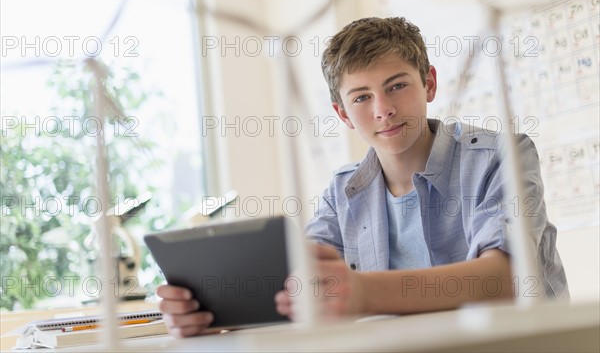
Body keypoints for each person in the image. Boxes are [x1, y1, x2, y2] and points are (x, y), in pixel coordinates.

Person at [157, 17, 569, 337]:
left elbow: (507, 280)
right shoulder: (343, 192)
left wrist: (364, 293)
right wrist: (215, 313)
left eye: (397, 86)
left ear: (429, 83)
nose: (383, 109)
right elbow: (303, 284)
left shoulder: (501, 156)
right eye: (361, 97)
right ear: (342, 114)